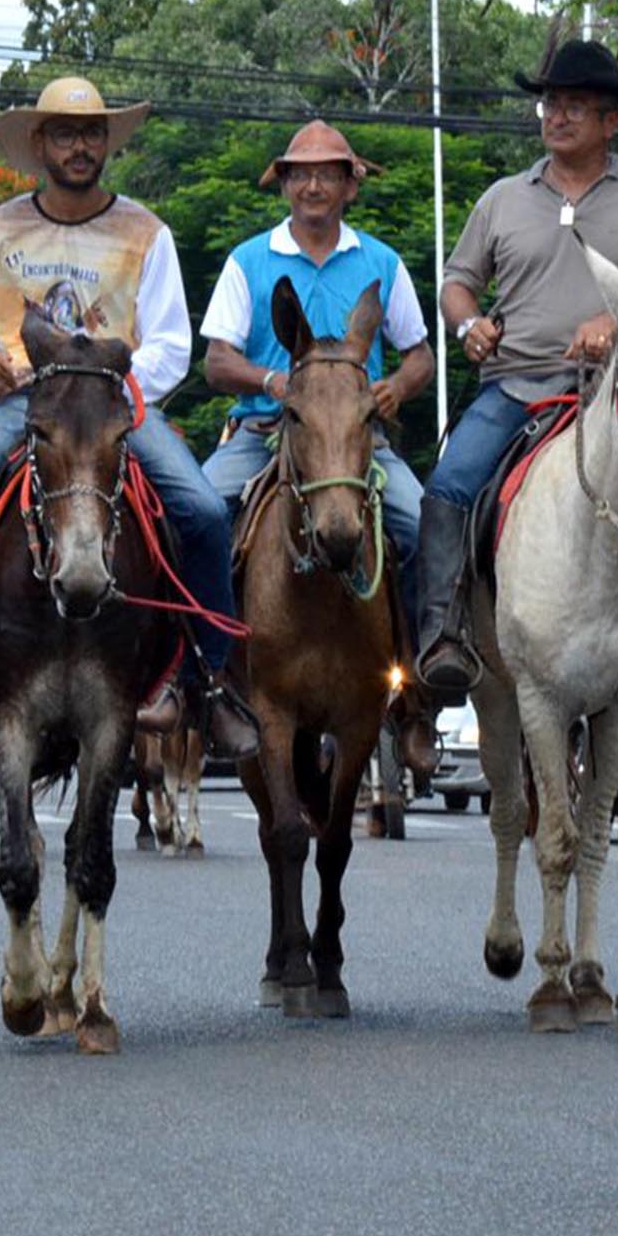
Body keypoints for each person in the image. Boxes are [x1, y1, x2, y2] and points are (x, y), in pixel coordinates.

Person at [0, 76, 261, 764]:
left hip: (114, 408)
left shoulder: (144, 232)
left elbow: (169, 344)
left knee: (203, 512)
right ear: (40, 144)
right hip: (23, 405)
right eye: (65, 133)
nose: (79, 145)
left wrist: (113, 385)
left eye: (92, 133)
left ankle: (209, 684)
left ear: (106, 144)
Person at [412, 41, 618, 699]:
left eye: (575, 106)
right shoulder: (504, 199)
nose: (557, 117)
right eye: (551, 103)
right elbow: (458, 284)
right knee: (448, 487)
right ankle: (443, 632)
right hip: (514, 387)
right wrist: (467, 324)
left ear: (611, 121)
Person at [199, 121, 438, 772]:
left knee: (425, 523)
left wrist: (393, 388)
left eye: (327, 173)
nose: (311, 184)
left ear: (349, 185)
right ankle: (203, 680)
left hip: (360, 440)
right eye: (299, 174)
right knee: (196, 516)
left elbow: (422, 356)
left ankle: (417, 692)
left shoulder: (382, 262)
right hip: (261, 433)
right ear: (282, 185)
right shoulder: (249, 260)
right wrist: (271, 380)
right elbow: (217, 362)